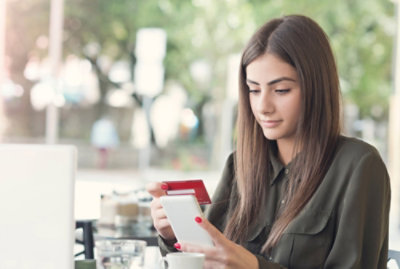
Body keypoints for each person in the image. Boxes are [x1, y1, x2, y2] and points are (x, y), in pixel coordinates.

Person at [147, 14, 391, 269]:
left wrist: (254, 266)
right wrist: (174, 234)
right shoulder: (239, 165)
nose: (263, 106)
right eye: (254, 90)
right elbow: (208, 257)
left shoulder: (358, 165)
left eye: (281, 90)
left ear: (316, 88)